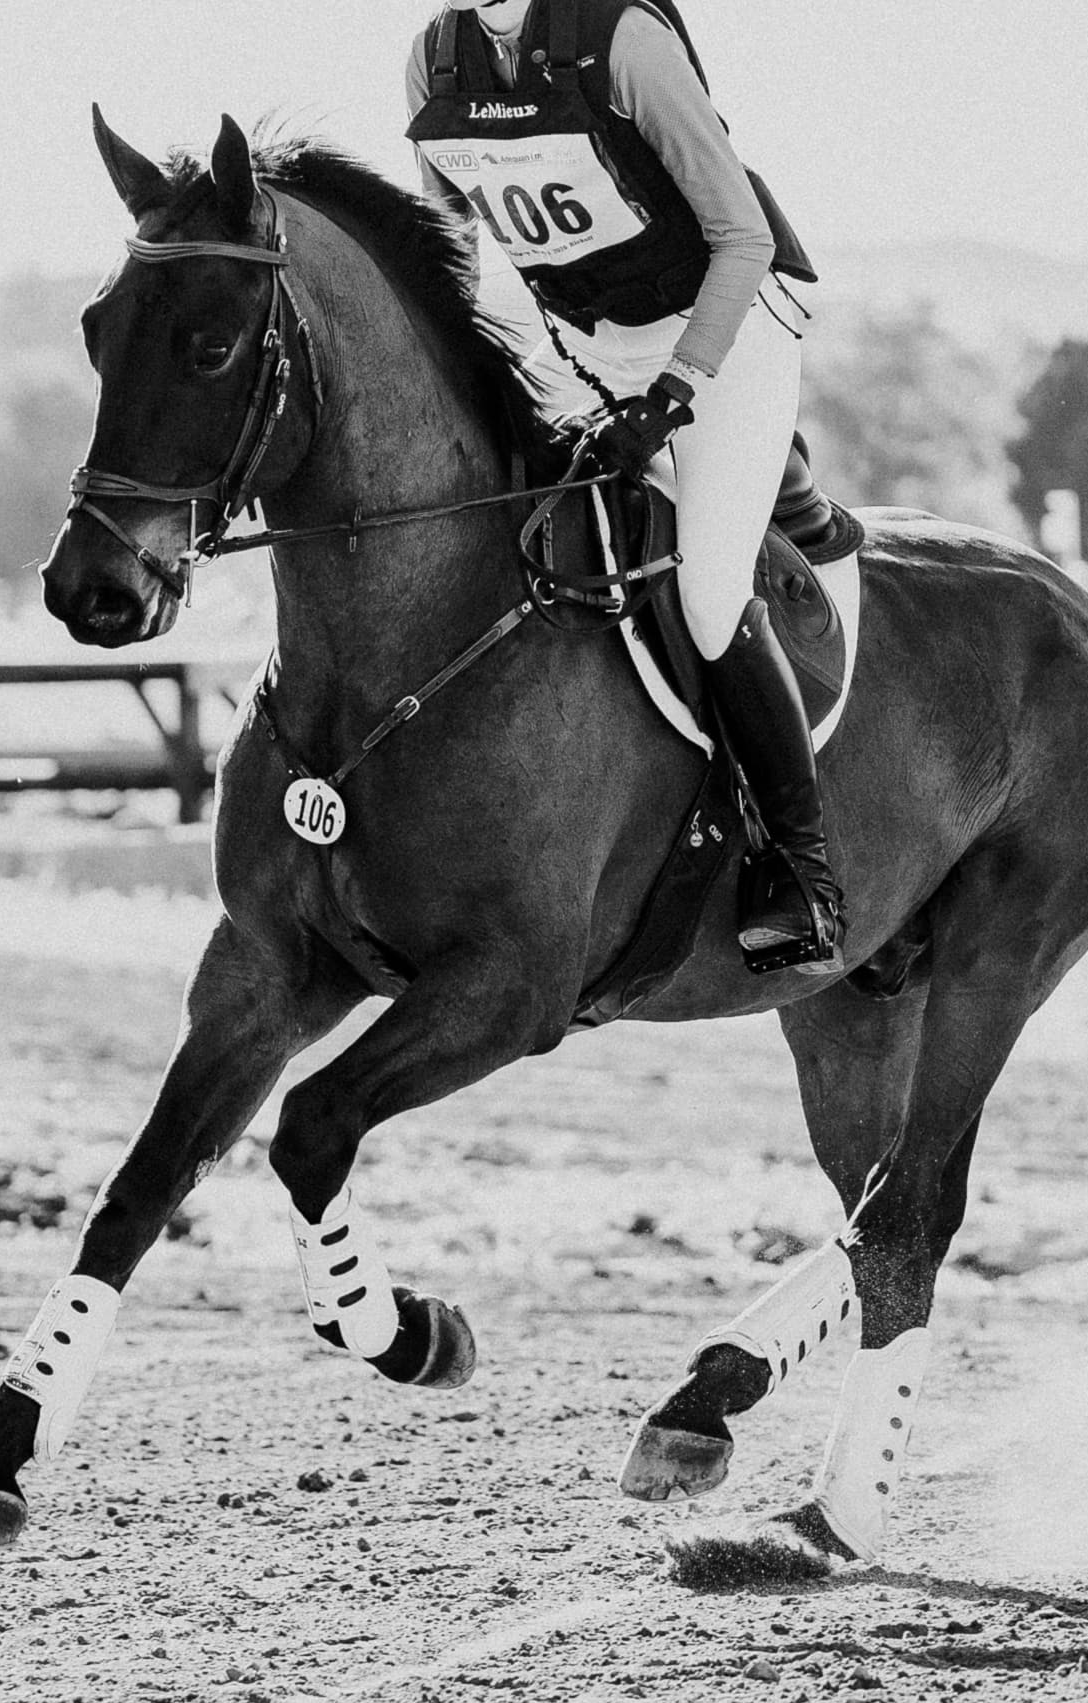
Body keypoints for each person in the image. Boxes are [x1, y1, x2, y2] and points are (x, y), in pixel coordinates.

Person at [406, 0, 856, 976]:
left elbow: (741, 238)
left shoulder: (625, 43)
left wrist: (673, 391)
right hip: (576, 344)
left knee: (703, 591)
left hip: (721, 329)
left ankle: (804, 873)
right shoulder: (435, 59)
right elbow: (452, 252)